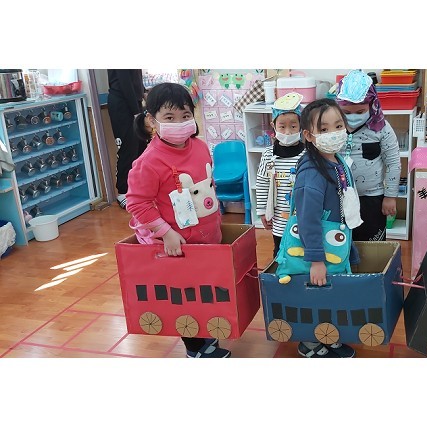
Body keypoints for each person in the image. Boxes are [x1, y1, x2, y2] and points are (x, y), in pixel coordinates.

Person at [126, 82, 230, 358]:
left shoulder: (200, 147)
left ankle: (206, 337)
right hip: (179, 245)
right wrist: (166, 233)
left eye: (185, 116)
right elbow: (137, 203)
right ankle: (195, 349)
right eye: (169, 117)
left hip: (208, 237)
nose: (179, 123)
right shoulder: (149, 161)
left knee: (206, 290)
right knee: (187, 296)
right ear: (152, 121)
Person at [287, 98, 361, 358]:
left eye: (338, 126)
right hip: (318, 249)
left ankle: (327, 335)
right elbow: (307, 220)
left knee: (331, 295)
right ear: (309, 135)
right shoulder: (312, 173)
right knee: (315, 297)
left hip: (335, 242)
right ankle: (309, 343)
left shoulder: (336, 160)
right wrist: (316, 259)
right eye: (324, 129)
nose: (334, 133)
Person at [335, 69, 402, 242]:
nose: (353, 117)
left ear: (372, 105)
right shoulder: (333, 128)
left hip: (372, 198)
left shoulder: (382, 128)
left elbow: (393, 163)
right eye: (346, 112)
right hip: (338, 197)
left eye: (360, 112)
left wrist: (390, 196)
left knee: (373, 244)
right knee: (341, 243)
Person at [255, 93, 306, 258]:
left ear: (301, 126)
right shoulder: (268, 154)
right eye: (282, 126)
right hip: (278, 218)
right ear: (274, 126)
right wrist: (262, 211)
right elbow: (262, 183)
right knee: (280, 250)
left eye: (293, 126)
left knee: (300, 250)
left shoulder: (307, 154)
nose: (288, 131)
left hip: (302, 216)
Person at [107, 69, 148, 209]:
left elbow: (135, 78)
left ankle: (139, 189)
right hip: (122, 104)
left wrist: (143, 93)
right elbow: (124, 82)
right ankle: (123, 192)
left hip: (135, 103)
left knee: (141, 147)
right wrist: (135, 111)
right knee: (127, 148)